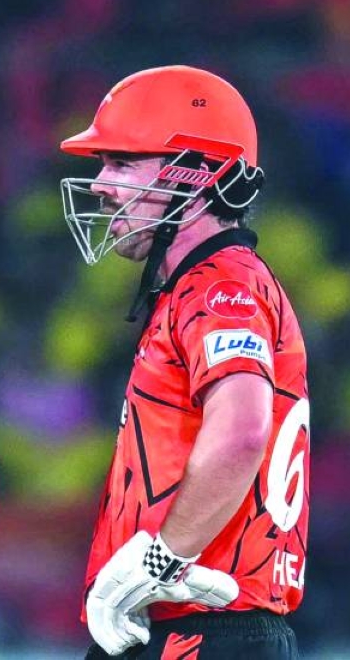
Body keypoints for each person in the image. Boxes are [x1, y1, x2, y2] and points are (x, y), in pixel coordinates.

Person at [58, 65, 309, 658]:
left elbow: (243, 433)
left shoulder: (221, 285)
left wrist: (160, 561)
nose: (99, 183)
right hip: (184, 624)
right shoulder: (207, 284)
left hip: (202, 629)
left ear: (197, 176)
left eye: (121, 163)